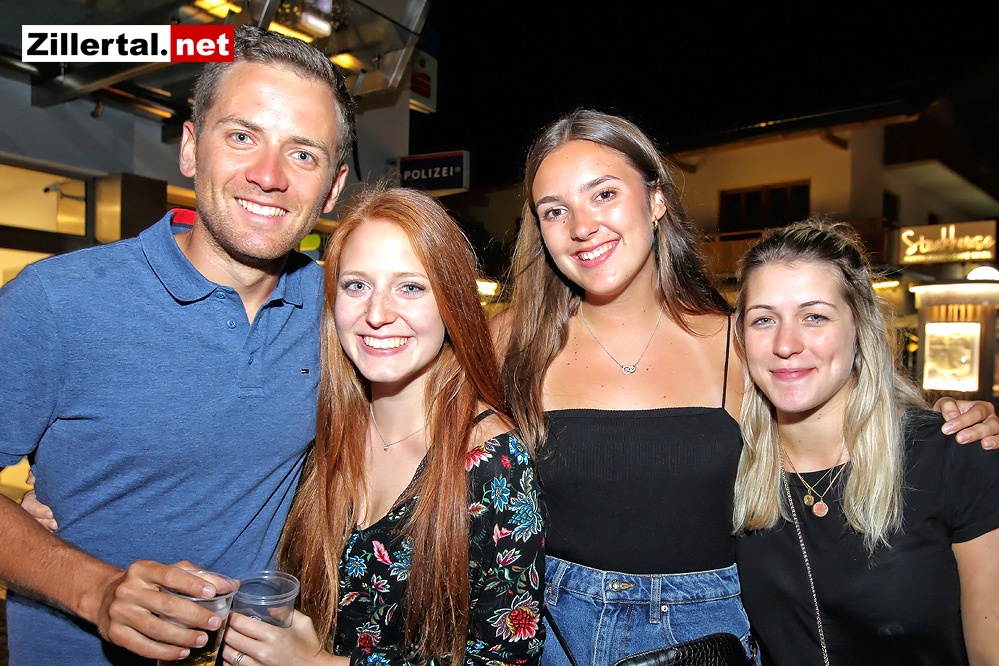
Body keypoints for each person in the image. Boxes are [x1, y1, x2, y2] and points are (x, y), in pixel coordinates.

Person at [496, 109, 999, 666]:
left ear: (657, 200)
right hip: (552, 635)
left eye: (605, 194)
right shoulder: (509, 344)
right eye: (555, 210)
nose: (581, 226)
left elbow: (843, 412)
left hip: (709, 639)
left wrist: (952, 425)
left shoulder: (743, 341)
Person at [0, 24, 353, 664]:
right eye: (241, 137)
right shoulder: (56, 301)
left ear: (332, 187)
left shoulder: (346, 311)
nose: (268, 175)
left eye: (303, 154)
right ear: (191, 148)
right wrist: (94, 589)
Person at [219, 187, 546, 666]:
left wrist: (316, 664)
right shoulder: (319, 429)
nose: (376, 314)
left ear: (452, 301)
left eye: (410, 287)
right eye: (356, 286)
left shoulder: (493, 465)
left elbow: (507, 660)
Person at [733, 220, 999, 665]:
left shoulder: (955, 455)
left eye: (814, 316)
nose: (785, 344)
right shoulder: (731, 473)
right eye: (764, 320)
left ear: (860, 328)